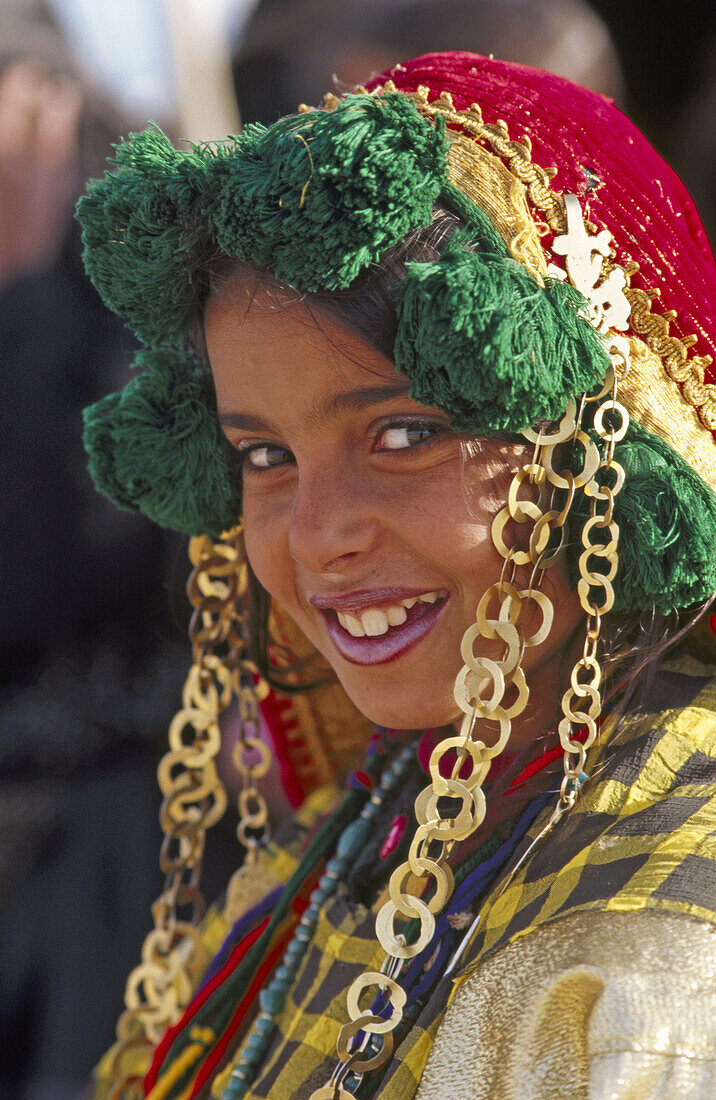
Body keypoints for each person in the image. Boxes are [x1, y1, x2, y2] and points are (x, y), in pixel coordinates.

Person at [76, 52, 716, 1100]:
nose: (317, 535)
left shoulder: (653, 958)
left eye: (405, 433)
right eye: (264, 455)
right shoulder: (367, 816)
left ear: (600, 436)